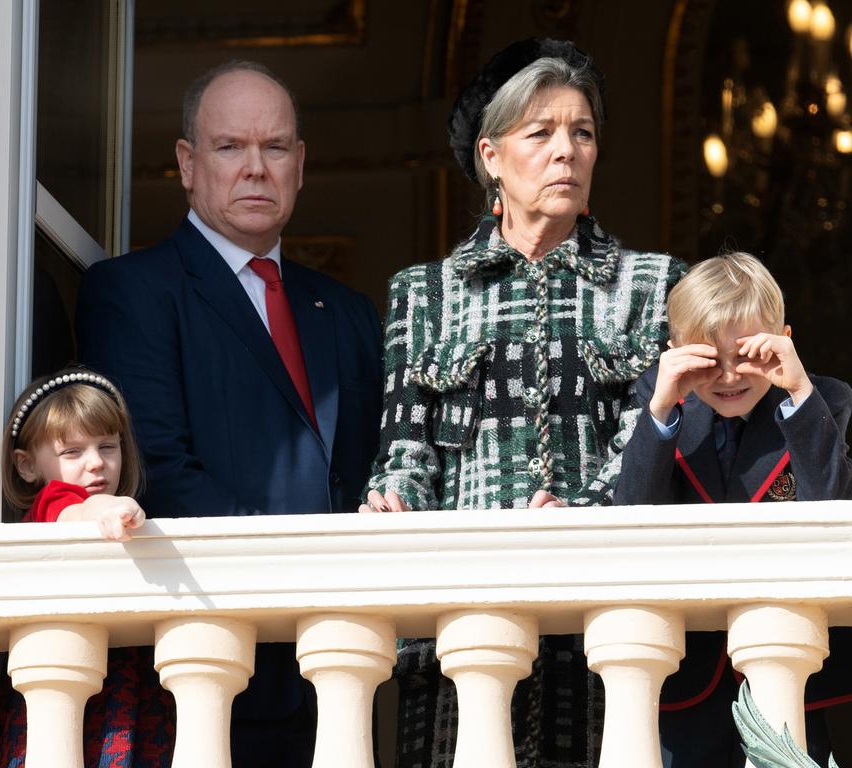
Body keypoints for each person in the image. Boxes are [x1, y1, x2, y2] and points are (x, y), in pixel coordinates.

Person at [361, 38, 687, 768]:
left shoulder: (654, 285)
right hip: (461, 626)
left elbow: (661, 436)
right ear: (490, 157)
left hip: (606, 625)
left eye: (582, 132)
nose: (565, 151)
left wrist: (586, 518)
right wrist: (391, 499)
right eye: (540, 133)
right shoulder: (426, 293)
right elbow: (405, 449)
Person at [75, 60, 384, 768]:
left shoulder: (347, 313)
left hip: (338, 669)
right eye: (229, 147)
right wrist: (306, 571)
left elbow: (368, 468)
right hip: (208, 662)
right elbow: (160, 470)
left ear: (300, 165)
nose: (256, 169)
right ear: (187, 163)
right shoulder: (132, 292)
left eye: (275, 148)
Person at [614, 251, 852, 767]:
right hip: (687, 670)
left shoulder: (821, 404)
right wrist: (660, 410)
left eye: (746, 355)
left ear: (783, 341)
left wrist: (799, 394)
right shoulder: (662, 406)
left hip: (791, 665)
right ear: (676, 351)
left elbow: (833, 514)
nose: (727, 376)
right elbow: (632, 515)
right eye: (707, 359)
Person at [0, 367, 177, 767]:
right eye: (72, 452)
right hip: (78, 687)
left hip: (125, 690)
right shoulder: (52, 503)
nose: (95, 463)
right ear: (27, 466)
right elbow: (73, 509)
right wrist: (106, 507)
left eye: (107, 447)